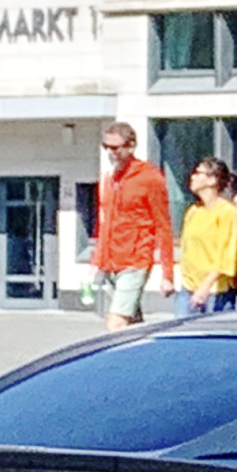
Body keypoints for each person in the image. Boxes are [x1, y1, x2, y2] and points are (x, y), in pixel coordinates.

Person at [89, 122, 174, 329]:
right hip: (110, 262)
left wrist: (167, 275)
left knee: (115, 325)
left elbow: (163, 226)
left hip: (135, 260)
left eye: (115, 148)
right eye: (106, 147)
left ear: (131, 146)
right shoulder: (110, 179)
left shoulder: (150, 178)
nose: (110, 153)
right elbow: (105, 224)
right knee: (133, 326)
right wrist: (96, 261)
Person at [177, 157, 237, 317]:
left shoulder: (226, 211)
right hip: (188, 288)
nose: (192, 176)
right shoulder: (193, 211)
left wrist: (205, 287)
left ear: (212, 180)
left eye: (198, 173)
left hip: (213, 291)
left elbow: (226, 256)